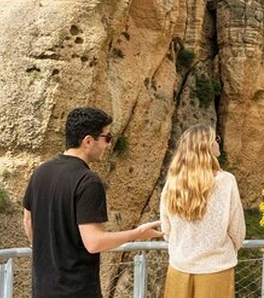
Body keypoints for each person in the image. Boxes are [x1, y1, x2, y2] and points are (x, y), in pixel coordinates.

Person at [22, 107, 163, 298]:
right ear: (88, 141)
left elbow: (28, 221)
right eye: (107, 138)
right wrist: (137, 233)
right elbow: (94, 242)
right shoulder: (88, 181)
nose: (108, 145)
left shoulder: (40, 173)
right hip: (77, 291)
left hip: (42, 290)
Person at [159, 124, 246, 298]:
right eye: (215, 139)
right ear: (206, 146)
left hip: (179, 268)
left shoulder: (173, 183)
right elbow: (237, 230)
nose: (218, 143)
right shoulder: (226, 181)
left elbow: (166, 230)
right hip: (216, 268)